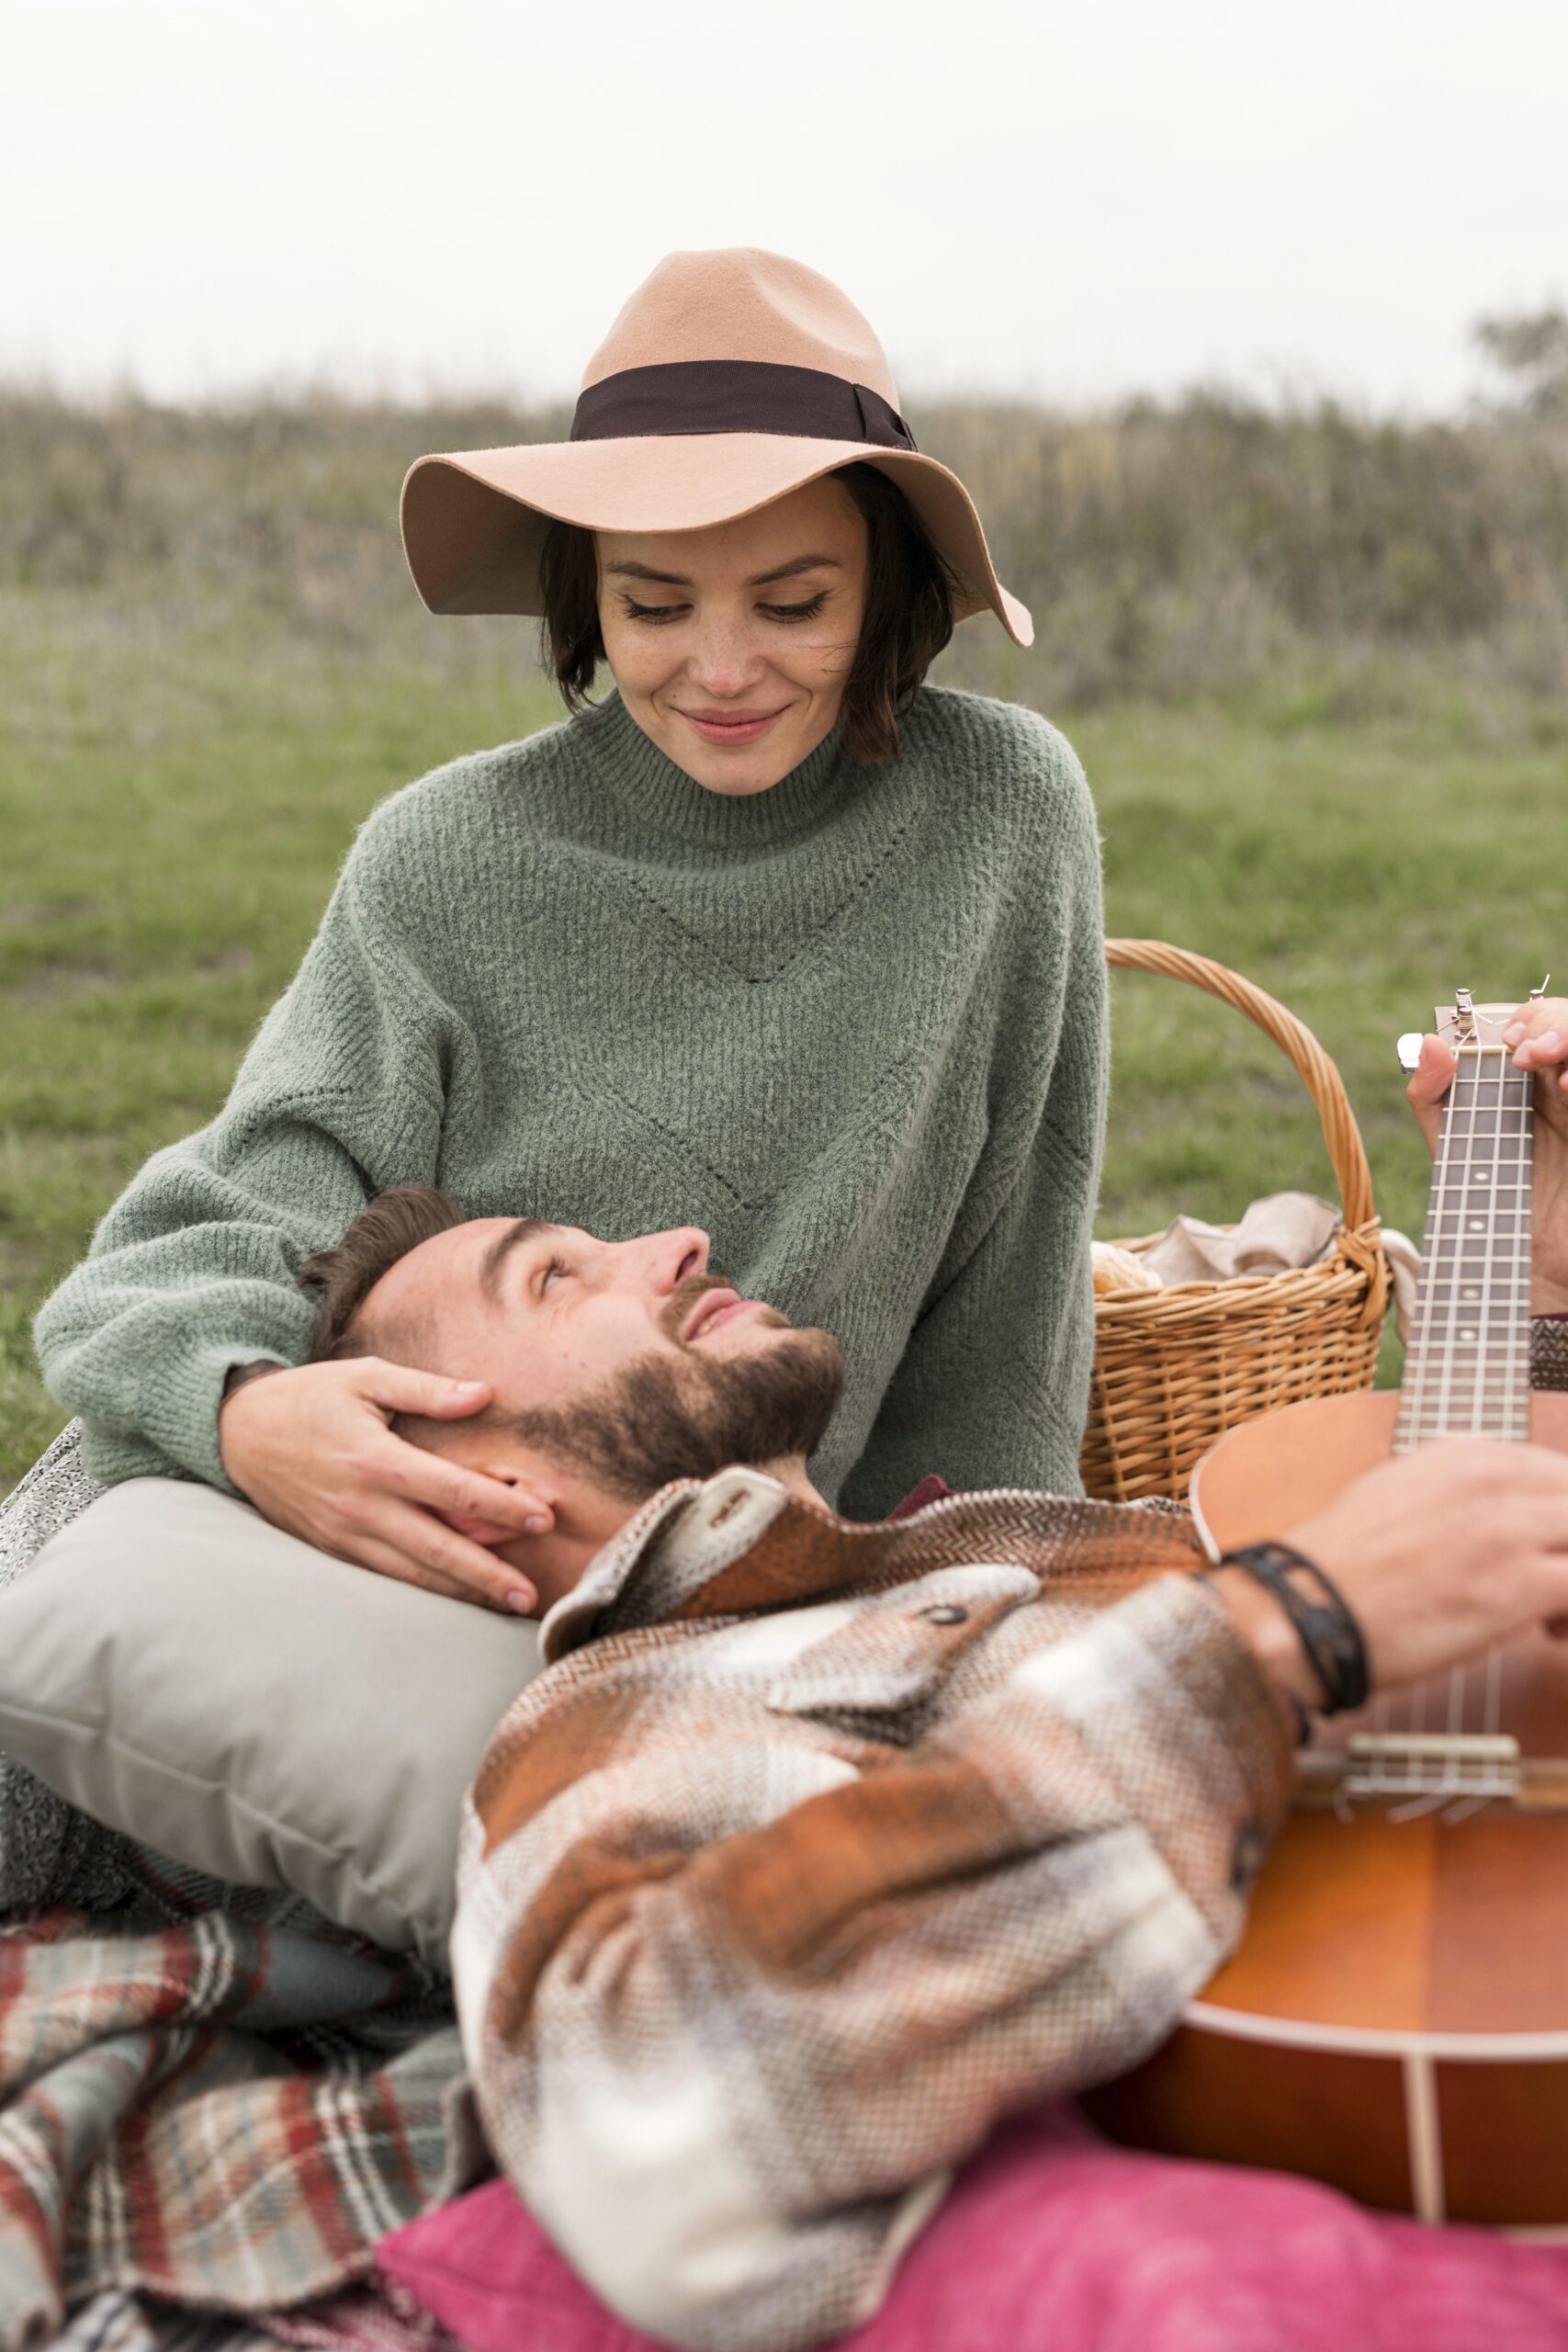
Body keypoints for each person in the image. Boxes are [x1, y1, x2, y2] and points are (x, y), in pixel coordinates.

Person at [288, 1001, 1568, 2352]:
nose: (676, 1246)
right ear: (473, 1482)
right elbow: (658, 2116)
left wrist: (1543, 1284)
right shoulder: (627, 1704)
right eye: (555, 1279)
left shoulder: (1005, 1546)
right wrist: (1279, 1631)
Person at [25, 245, 1108, 1625]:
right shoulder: (443, 857)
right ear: (582, 591)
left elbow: (1010, 1297)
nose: (721, 670)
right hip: (427, 1547)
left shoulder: (1002, 812)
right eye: (654, 605)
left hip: (760, 1576)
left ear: (885, 590)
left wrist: (960, 1596)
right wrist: (242, 1413)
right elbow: (216, 1227)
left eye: (793, 604)